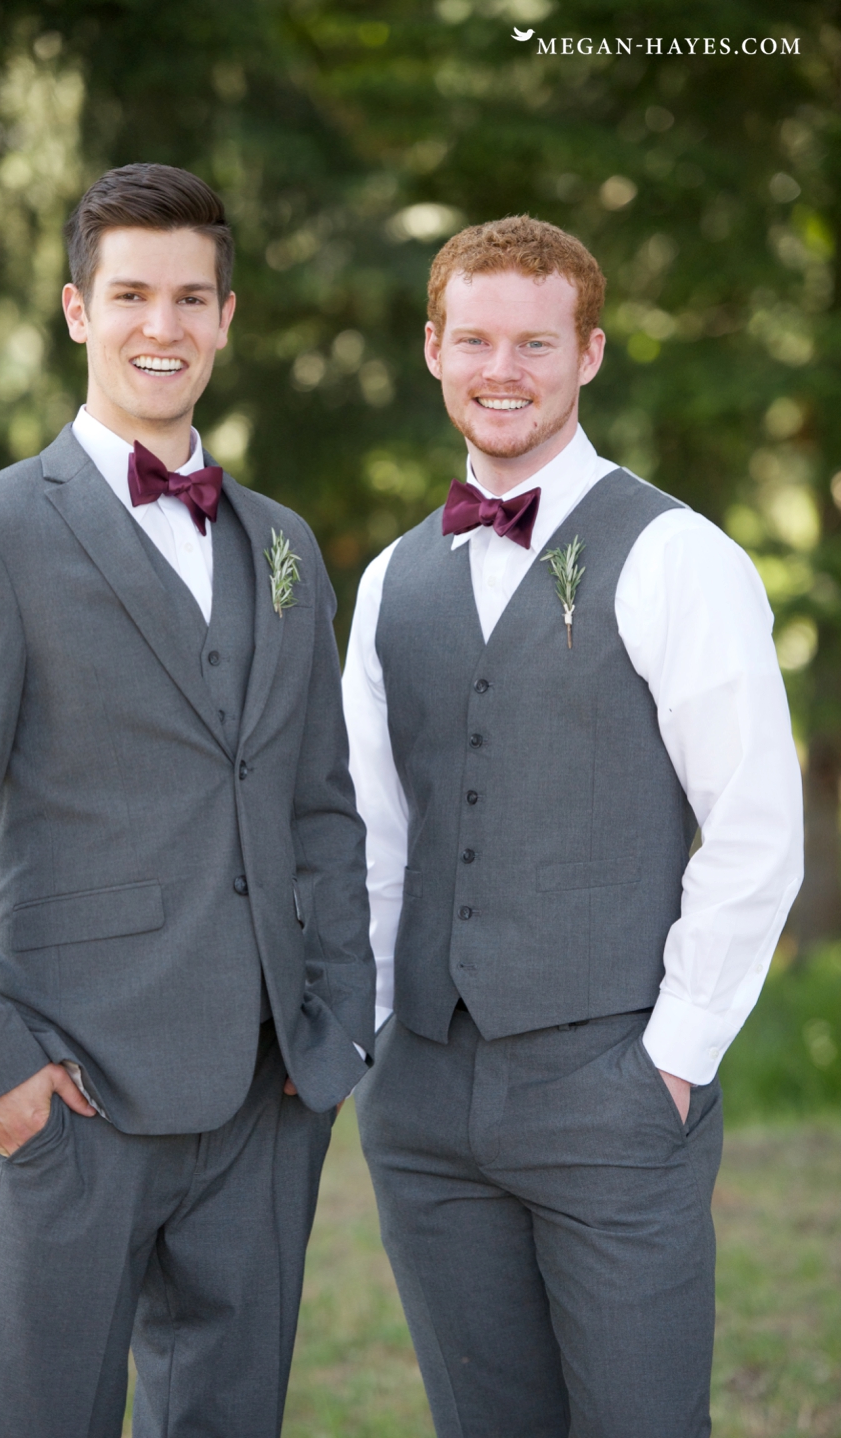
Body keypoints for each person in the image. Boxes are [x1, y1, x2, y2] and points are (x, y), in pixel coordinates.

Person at [0, 162, 374, 1438]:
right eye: (132, 295)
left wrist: (334, 1020)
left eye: (191, 298)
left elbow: (323, 805)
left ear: (227, 318)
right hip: (72, 1088)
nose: (164, 325)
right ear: (76, 311)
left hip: (266, 1093)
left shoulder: (282, 545)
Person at [343, 214, 803, 1438]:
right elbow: (372, 833)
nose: (503, 369)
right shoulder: (390, 581)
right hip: (425, 1099)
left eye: (536, 343)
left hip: (612, 1085)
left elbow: (755, 827)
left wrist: (674, 1059)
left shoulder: (678, 555)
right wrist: (377, 1041)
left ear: (589, 354)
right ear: (433, 349)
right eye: (475, 340)